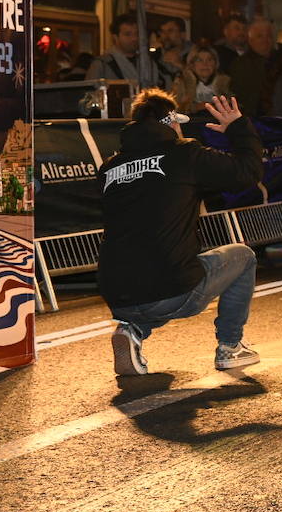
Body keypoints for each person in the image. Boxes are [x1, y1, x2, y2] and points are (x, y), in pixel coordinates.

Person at [97, 90, 264, 375]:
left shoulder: (109, 167)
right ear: (172, 122)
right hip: (169, 288)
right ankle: (230, 346)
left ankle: (132, 329)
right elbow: (247, 173)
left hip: (116, 294)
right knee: (243, 257)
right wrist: (237, 128)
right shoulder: (185, 153)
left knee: (153, 283)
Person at [87, 13, 170, 88]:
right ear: (115, 37)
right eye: (128, 34)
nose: (134, 38)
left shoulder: (148, 63)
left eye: (136, 34)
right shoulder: (101, 65)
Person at [229, 17, 277, 117]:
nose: (265, 40)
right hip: (253, 119)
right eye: (260, 36)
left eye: (268, 36)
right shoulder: (240, 64)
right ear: (250, 39)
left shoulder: (281, 60)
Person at [171, 45, 232, 115]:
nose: (205, 64)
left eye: (209, 60)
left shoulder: (225, 82)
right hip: (190, 123)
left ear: (215, 64)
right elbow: (173, 110)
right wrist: (195, 107)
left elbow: (234, 107)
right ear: (192, 65)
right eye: (199, 60)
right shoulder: (181, 82)